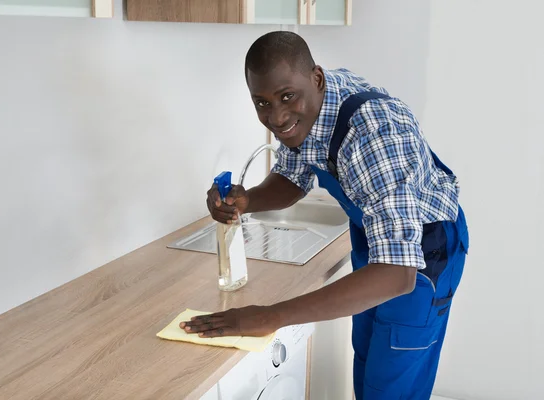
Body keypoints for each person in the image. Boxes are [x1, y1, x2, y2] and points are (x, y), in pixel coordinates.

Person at [179, 31, 469, 399]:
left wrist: (272, 316)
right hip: (374, 241)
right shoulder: (312, 108)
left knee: (393, 388)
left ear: (316, 78)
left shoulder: (374, 133)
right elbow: (293, 177)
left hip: (423, 258)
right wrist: (246, 200)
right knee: (368, 369)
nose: (277, 116)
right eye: (262, 103)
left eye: (287, 97)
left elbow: (397, 275)